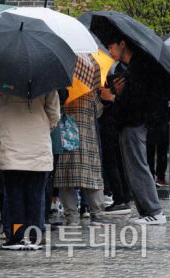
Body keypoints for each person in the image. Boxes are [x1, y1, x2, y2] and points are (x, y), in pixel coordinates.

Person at [98, 31, 170, 225]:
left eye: (111, 46)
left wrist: (113, 96)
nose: (110, 51)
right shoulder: (130, 67)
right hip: (129, 121)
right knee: (133, 167)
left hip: (135, 122)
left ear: (122, 44)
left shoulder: (140, 67)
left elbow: (138, 99)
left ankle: (154, 210)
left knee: (138, 166)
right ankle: (146, 210)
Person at [0, 89, 60, 249]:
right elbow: (54, 113)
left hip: (11, 143)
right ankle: (34, 236)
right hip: (38, 144)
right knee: (36, 195)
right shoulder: (45, 75)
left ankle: (15, 236)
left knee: (13, 195)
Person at [54, 55, 117, 226]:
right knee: (91, 174)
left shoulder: (60, 79)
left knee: (64, 176)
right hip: (86, 133)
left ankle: (71, 216)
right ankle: (97, 213)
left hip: (65, 133)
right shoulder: (89, 82)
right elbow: (98, 111)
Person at [97, 62, 132, 214]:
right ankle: (124, 195)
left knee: (112, 162)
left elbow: (106, 103)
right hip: (118, 124)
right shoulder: (121, 76)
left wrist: (108, 98)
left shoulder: (109, 80)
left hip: (110, 124)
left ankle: (119, 198)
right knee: (118, 161)